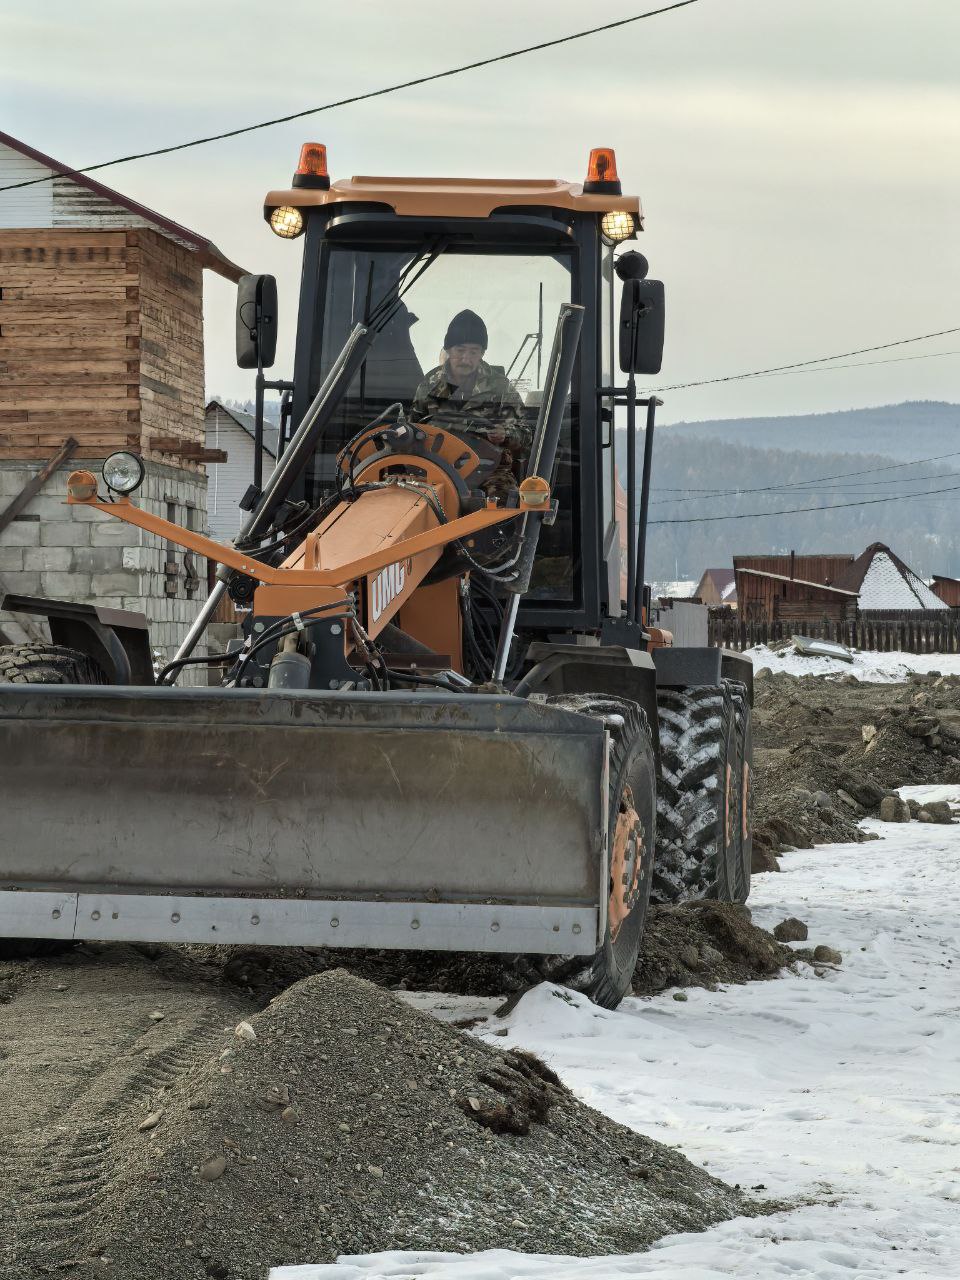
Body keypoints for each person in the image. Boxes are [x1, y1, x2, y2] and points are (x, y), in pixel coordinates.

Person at [409, 310, 531, 499]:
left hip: (490, 470)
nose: (466, 359)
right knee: (412, 503)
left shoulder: (499, 387)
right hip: (439, 467)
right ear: (448, 350)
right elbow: (412, 430)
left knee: (505, 502)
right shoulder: (431, 385)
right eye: (460, 351)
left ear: (482, 353)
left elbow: (526, 433)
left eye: (473, 352)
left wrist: (505, 435)